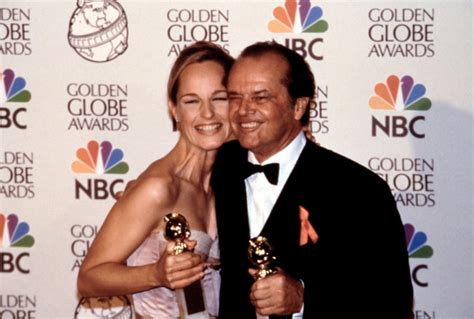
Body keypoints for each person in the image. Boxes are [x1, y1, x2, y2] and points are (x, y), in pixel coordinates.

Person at [211, 41, 414, 318]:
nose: (243, 110)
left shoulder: (359, 190)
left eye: (261, 97)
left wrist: (305, 299)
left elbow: (393, 303)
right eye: (235, 97)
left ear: (298, 106)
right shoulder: (219, 166)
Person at [77, 41, 234, 319]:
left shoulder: (228, 181)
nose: (207, 113)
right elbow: (89, 278)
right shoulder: (158, 188)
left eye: (219, 98)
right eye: (191, 101)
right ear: (174, 109)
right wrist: (156, 274)